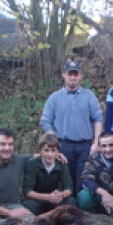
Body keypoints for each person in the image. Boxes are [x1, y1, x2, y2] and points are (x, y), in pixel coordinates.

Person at [40, 60, 103, 193]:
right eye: (70, 74)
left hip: (85, 146)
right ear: (64, 74)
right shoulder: (55, 98)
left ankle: (82, 211)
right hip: (64, 145)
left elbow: (98, 118)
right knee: (66, 181)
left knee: (84, 180)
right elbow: (45, 121)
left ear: (80, 75)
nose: (73, 77)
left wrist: (96, 142)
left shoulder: (89, 96)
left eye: (75, 74)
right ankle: (67, 209)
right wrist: (54, 143)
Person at [22, 133, 76, 215]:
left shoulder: (62, 163)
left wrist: (61, 195)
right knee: (30, 205)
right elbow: (27, 191)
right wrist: (48, 197)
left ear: (58, 151)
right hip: (38, 199)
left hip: (55, 200)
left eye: (53, 150)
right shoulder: (32, 163)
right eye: (46, 150)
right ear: (40, 151)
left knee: (71, 201)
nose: (50, 154)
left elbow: (69, 188)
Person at [77, 132, 113, 219]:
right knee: (83, 196)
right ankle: (90, 220)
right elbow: (86, 179)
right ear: (99, 147)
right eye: (104, 146)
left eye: (111, 145)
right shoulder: (93, 158)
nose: (108, 149)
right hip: (99, 197)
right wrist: (104, 194)